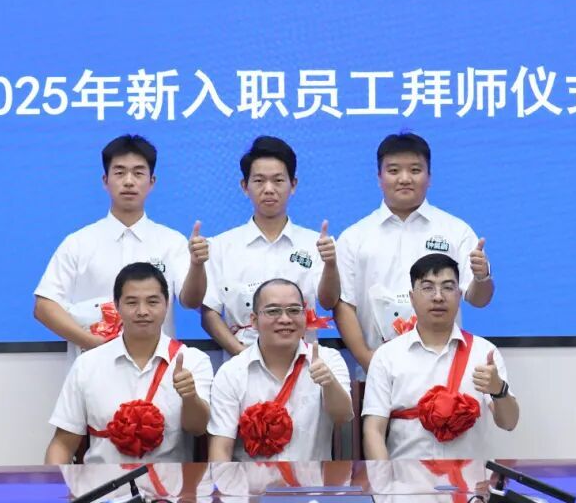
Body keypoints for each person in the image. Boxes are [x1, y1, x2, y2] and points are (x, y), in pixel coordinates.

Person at [33, 135, 206, 362]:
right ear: (105, 181)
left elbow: (191, 301)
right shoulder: (78, 242)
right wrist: (95, 345)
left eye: (138, 173)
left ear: (152, 182)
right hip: (93, 366)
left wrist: (197, 265)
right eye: (120, 172)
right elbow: (44, 306)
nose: (129, 181)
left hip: (157, 369)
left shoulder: (171, 242)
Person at [334, 132, 494, 374]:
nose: (405, 179)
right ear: (379, 177)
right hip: (375, 368)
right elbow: (344, 304)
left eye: (415, 170)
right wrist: (368, 360)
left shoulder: (456, 230)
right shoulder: (354, 237)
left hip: (443, 368)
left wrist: (482, 277)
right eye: (394, 170)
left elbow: (479, 299)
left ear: (429, 177)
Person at [44, 262, 213, 464]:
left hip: (169, 483)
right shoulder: (87, 365)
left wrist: (190, 396)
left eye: (152, 302)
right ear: (116, 306)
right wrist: (52, 483)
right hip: (102, 482)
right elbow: (63, 444)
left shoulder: (193, 361)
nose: (142, 311)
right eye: (132, 303)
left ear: (167, 304)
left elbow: (198, 428)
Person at [361, 254, 518, 460]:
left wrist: (499, 389)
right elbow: (373, 430)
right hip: (406, 477)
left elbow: (509, 423)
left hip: (471, 478)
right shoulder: (387, 356)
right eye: (428, 288)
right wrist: (384, 478)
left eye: (447, 287)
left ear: (459, 295)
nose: (438, 297)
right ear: (412, 298)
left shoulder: (484, 352)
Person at [198, 136, 340, 355]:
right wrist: (244, 357)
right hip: (241, 363)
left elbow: (329, 302)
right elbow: (209, 313)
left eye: (278, 180)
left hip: (303, 364)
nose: (269, 189)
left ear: (293, 185)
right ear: (245, 187)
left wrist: (331, 264)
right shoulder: (220, 247)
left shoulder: (316, 244)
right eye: (259, 181)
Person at [207, 278, 352, 461]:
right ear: (254, 321)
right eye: (273, 311)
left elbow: (343, 417)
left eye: (294, 310)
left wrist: (329, 383)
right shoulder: (232, 372)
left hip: (312, 478)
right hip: (251, 479)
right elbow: (221, 449)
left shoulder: (328, 359)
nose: (285, 319)